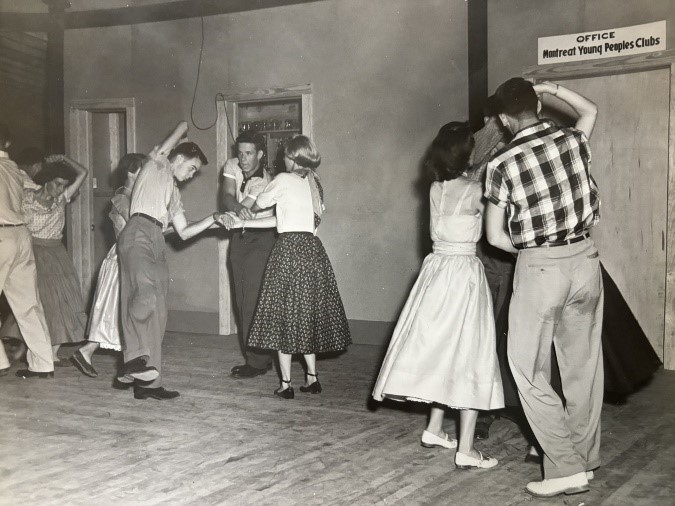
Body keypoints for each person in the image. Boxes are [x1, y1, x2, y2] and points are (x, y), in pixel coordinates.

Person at [485, 78, 602, 498]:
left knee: (527, 369)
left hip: (540, 266)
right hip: (586, 260)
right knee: (583, 369)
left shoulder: (501, 164)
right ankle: (583, 460)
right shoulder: (571, 140)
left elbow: (495, 237)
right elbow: (589, 110)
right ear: (536, 105)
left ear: (503, 118)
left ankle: (566, 469)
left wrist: (534, 253)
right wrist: (552, 88)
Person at [372, 122, 503, 470]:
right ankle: (466, 449)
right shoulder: (477, 191)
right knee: (470, 354)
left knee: (443, 349)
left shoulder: (434, 188)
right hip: (463, 273)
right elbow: (495, 233)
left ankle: (434, 428)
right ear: (467, 154)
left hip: (436, 272)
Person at [221, 135, 351, 399]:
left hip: (288, 251)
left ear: (293, 157)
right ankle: (312, 378)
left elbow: (256, 208)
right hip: (312, 251)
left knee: (281, 318)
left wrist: (239, 216)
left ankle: (286, 385)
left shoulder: (282, 180)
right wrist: (244, 223)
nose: (283, 160)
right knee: (304, 316)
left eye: (285, 156)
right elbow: (285, 220)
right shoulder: (314, 183)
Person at [116, 121, 219, 400]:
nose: (191, 175)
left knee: (159, 312)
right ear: (180, 158)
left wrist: (214, 219)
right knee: (145, 294)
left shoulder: (173, 192)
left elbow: (184, 231)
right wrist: (184, 131)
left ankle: (148, 385)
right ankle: (134, 358)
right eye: (192, 168)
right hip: (137, 232)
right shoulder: (156, 165)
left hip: (157, 239)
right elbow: (178, 131)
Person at [71, 153, 146, 378]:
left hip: (130, 255)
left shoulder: (133, 196)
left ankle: (88, 351)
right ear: (131, 172)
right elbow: (139, 225)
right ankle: (130, 363)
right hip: (123, 257)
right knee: (119, 309)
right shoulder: (122, 198)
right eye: (143, 170)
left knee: (118, 309)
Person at [18, 152, 89, 365]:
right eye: (57, 184)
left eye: (63, 185)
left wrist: (63, 158)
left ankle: (54, 352)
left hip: (57, 254)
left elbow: (83, 173)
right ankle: (35, 350)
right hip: (33, 253)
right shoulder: (26, 198)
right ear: (47, 180)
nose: (60, 189)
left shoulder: (62, 199)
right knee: (43, 303)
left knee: (66, 301)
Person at [0, 123, 54, 378]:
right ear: (8, 143)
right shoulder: (14, 168)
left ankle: (0, 363)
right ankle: (43, 364)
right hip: (21, 235)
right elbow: (39, 191)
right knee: (29, 305)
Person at [222, 131, 276, 378]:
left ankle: (257, 361)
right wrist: (234, 208)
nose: (242, 159)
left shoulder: (264, 181)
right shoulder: (231, 165)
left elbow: (245, 210)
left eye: (249, 153)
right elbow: (227, 197)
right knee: (241, 298)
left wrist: (235, 209)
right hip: (240, 235)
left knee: (253, 300)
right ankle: (258, 357)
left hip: (261, 237)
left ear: (261, 154)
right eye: (240, 153)